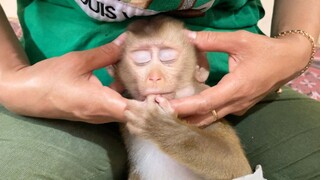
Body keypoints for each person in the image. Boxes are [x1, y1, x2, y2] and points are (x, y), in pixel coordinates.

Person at [0, 0, 319, 179]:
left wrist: (297, 45)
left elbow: (226, 165)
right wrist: (10, 79)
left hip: (235, 86)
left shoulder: (203, 72)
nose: (154, 75)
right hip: (52, 89)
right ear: (118, 67)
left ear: (198, 64)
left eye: (167, 58)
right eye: (141, 60)